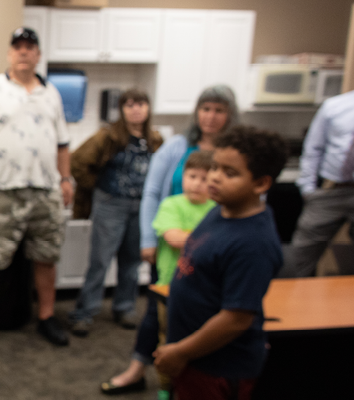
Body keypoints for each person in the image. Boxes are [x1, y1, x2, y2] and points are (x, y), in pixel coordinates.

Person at [105, 85, 239, 391]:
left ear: (230, 115)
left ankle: (194, 381)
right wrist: (148, 240)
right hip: (171, 247)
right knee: (157, 312)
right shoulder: (177, 146)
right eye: (206, 108)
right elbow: (152, 193)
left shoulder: (234, 152)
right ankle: (137, 370)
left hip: (218, 250)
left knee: (210, 317)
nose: (211, 117)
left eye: (219, 110)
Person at [153, 126, 287, 400]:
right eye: (214, 167)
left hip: (218, 367)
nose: (213, 177)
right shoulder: (221, 210)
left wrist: (181, 352)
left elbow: (235, 319)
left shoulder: (253, 243)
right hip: (193, 353)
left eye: (230, 173)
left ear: (260, 184)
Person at [0, 27, 74, 348]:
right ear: (10, 53)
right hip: (0, 190)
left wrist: (65, 180)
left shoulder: (51, 93)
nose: (24, 52)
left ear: (38, 54)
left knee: (46, 256)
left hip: (45, 189)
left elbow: (63, 144)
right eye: (18, 47)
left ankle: (47, 316)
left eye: (30, 47)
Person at [99, 150, 215, 396]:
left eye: (205, 178)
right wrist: (213, 241)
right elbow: (174, 238)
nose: (197, 183)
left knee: (201, 342)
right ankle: (165, 388)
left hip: (206, 290)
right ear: (182, 177)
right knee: (167, 342)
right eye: (192, 176)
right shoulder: (171, 204)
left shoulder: (216, 209)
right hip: (169, 287)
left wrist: (199, 240)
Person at [68, 89, 163, 337]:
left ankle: (125, 307)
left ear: (148, 108)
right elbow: (76, 161)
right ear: (122, 109)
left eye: (141, 104)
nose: (135, 109)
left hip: (141, 206)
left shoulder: (155, 139)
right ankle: (85, 312)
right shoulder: (108, 136)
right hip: (111, 203)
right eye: (129, 105)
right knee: (100, 259)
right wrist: (95, 186)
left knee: (132, 261)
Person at [281, 90, 354, 277]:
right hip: (331, 190)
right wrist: (308, 189)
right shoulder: (334, 107)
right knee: (299, 259)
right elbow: (313, 148)